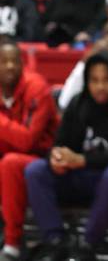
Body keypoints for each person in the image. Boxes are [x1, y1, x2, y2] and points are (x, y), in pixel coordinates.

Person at [25, 51, 108, 261]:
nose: (100, 87)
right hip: (83, 177)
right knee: (36, 170)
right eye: (94, 80)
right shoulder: (78, 103)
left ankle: (87, 247)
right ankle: (56, 242)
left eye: (106, 80)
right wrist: (56, 157)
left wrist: (83, 160)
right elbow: (59, 143)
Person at [0, 40, 59, 261]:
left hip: (45, 159)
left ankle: (12, 243)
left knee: (10, 164)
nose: (9, 66)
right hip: (9, 156)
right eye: (3, 62)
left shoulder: (37, 88)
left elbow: (27, 140)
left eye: (14, 61)